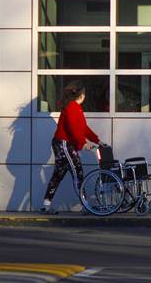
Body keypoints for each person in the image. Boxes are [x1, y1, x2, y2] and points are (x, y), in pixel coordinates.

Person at [39, 80, 103, 214]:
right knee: (77, 171)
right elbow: (73, 130)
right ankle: (85, 205)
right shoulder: (71, 108)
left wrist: (97, 140)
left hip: (63, 143)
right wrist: (83, 143)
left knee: (59, 174)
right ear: (82, 94)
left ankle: (45, 205)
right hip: (64, 143)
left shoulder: (76, 107)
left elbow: (83, 128)